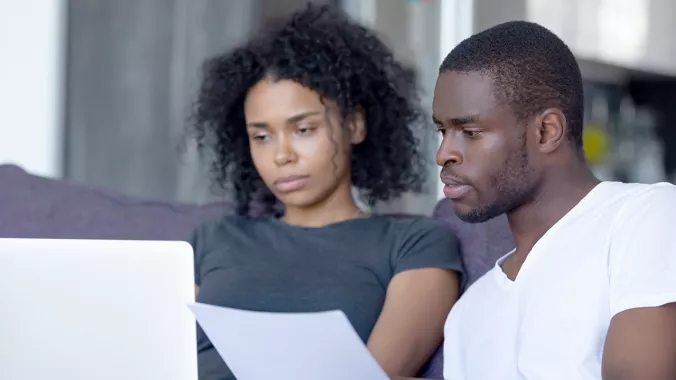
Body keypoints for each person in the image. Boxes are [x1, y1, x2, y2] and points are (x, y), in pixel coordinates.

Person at [188, 4, 464, 380]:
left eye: (304, 130)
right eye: (262, 136)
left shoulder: (414, 245)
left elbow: (375, 377)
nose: (282, 155)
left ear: (354, 125)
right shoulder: (212, 238)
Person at [433, 21, 676, 380]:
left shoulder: (644, 216)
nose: (443, 154)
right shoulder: (467, 314)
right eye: (442, 131)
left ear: (546, 131)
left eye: (469, 132)